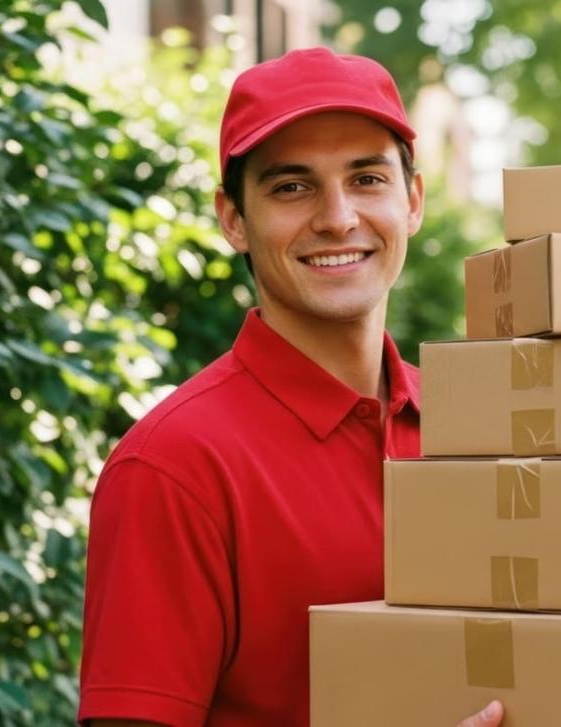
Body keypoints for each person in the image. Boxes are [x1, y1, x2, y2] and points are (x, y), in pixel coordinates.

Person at [78, 47, 504, 727]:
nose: (337, 218)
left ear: (413, 201)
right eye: (291, 187)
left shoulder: (483, 431)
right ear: (233, 219)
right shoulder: (172, 468)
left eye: (366, 178)